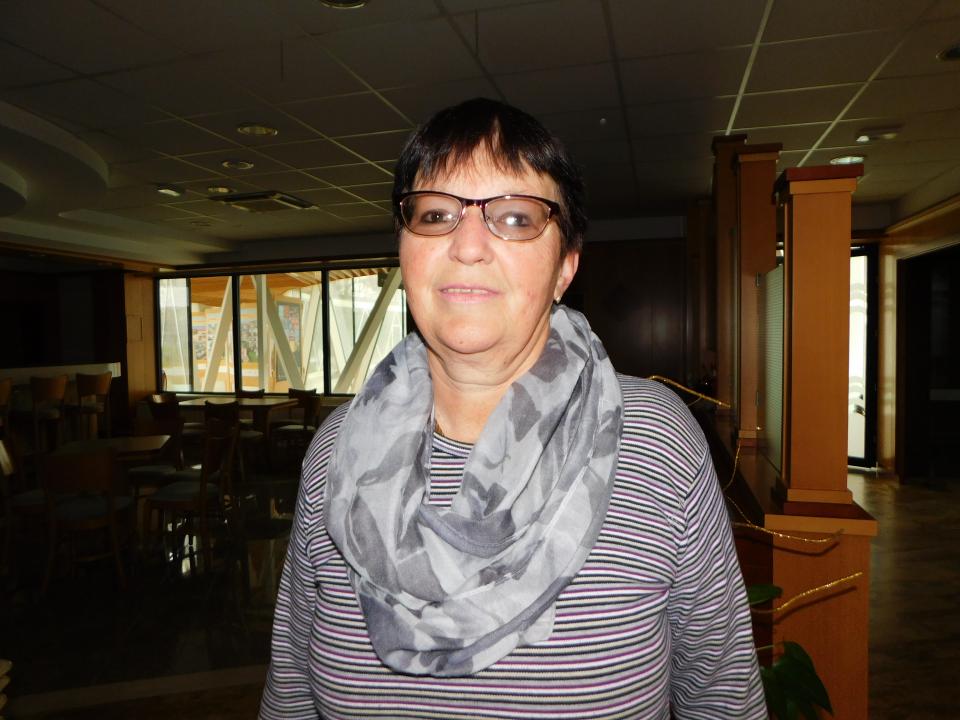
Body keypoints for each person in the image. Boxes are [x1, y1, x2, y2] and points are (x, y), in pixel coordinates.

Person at [260, 98, 766, 719]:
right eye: (436, 213)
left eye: (516, 217)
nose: (468, 244)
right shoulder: (338, 448)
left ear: (565, 268)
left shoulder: (654, 439)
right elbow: (290, 692)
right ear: (403, 250)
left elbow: (721, 695)